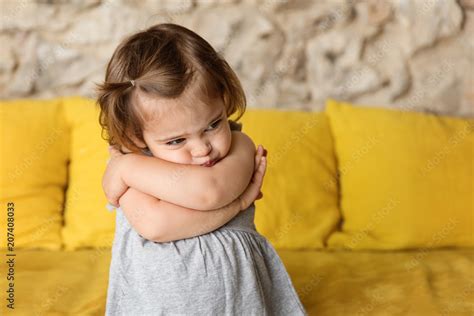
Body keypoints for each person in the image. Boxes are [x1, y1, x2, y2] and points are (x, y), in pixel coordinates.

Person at [96, 23, 307, 315]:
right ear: (135, 136)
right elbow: (155, 225)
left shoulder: (240, 146)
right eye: (176, 140)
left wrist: (128, 168)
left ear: (223, 99)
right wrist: (241, 202)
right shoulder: (133, 159)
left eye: (213, 124)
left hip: (240, 301)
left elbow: (210, 192)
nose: (202, 149)